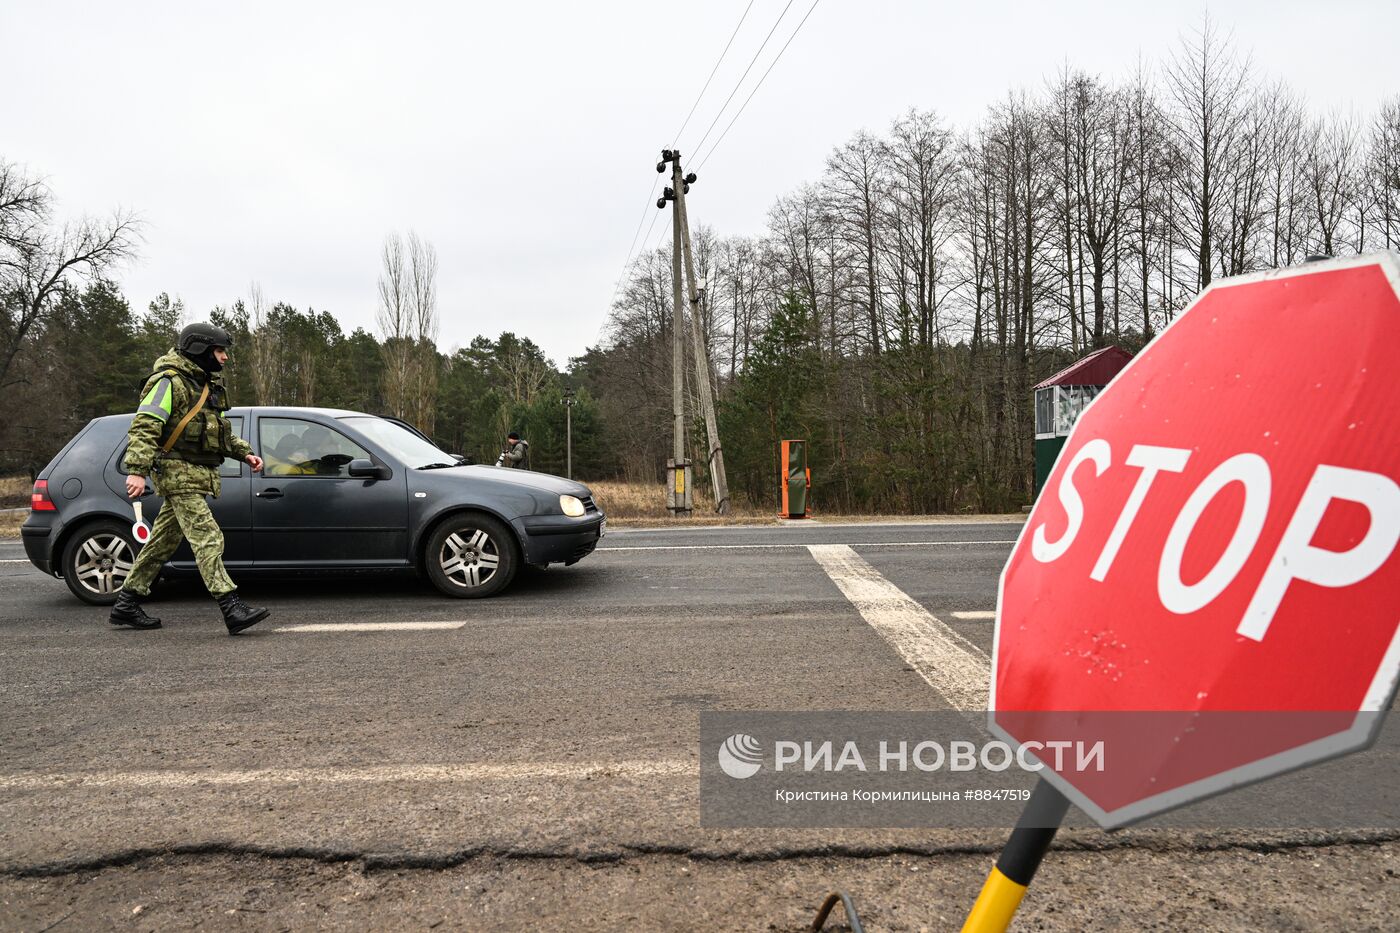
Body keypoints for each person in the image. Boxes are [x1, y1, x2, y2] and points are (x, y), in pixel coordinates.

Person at [108, 322, 271, 635]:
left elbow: (217, 433)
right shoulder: (168, 382)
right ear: (200, 349)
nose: (224, 358)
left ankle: (126, 603)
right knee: (208, 537)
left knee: (161, 543)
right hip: (176, 473)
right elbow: (145, 426)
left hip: (196, 474)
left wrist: (244, 453)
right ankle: (231, 606)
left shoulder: (204, 386)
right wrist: (137, 471)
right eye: (220, 351)